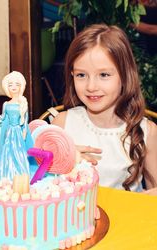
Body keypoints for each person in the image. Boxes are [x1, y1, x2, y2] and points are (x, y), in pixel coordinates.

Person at [52, 24, 157, 194]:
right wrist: (61, 160)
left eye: (104, 75)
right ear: (72, 76)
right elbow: (40, 183)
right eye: (81, 75)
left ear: (125, 75)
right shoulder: (62, 123)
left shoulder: (147, 132)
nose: (91, 86)